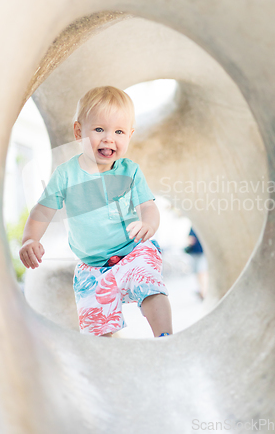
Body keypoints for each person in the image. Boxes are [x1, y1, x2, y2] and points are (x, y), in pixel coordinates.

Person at [19, 86, 173, 338]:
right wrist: (30, 239)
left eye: (119, 131)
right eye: (99, 129)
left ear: (130, 136)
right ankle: (107, 355)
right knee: (96, 324)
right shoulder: (66, 175)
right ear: (79, 131)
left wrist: (148, 224)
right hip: (92, 266)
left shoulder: (129, 171)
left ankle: (165, 337)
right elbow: (43, 210)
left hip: (132, 251)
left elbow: (148, 206)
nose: (109, 138)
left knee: (150, 283)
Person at [185, 227, 208, 300]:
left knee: (200, 272)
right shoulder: (198, 227)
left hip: (198, 253)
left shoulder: (194, 228)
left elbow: (190, 239)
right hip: (199, 252)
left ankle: (203, 291)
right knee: (200, 272)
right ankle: (202, 290)